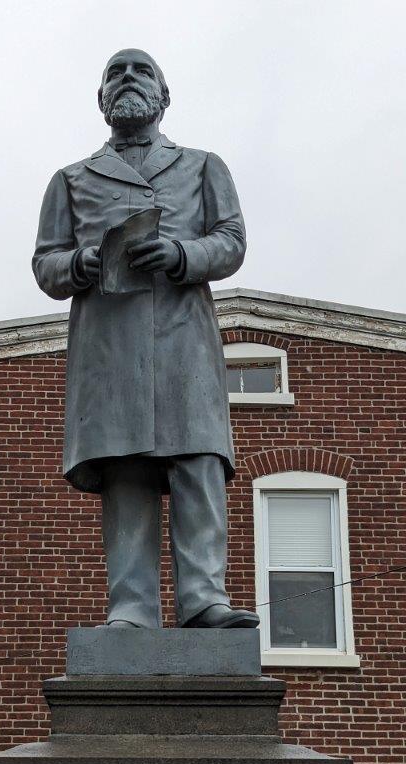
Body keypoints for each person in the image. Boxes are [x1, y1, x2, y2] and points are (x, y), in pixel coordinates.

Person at [33, 48, 259, 631]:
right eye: (115, 72)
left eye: (141, 71)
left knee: (197, 464)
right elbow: (45, 263)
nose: (127, 79)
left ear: (164, 94)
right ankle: (131, 610)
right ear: (101, 99)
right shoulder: (71, 179)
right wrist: (81, 262)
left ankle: (204, 600)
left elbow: (231, 241)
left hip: (184, 340)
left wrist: (183, 254)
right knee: (126, 470)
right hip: (109, 348)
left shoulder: (203, 165)